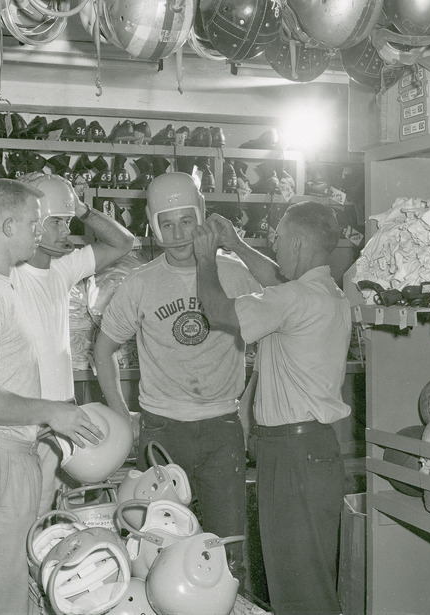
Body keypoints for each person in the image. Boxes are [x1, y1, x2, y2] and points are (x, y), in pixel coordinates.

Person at [0, 178, 103, 615]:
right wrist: (51, 411)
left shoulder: (0, 286)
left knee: (14, 594)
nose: (39, 231)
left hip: (9, 455)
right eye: (34, 222)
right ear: (8, 226)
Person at [93, 171, 261, 578]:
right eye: (166, 224)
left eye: (187, 221)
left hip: (222, 427)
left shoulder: (236, 273)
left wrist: (247, 405)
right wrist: (121, 416)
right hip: (162, 430)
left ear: (202, 217)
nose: (178, 233)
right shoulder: (140, 283)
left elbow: (272, 338)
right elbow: (103, 350)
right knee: (156, 553)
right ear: (153, 226)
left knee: (224, 553)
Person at [192, 202, 351, 615]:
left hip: (294, 455)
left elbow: (216, 310)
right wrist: (236, 243)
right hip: (311, 450)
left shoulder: (295, 298)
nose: (274, 244)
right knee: (305, 577)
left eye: (278, 236)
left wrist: (206, 256)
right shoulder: (326, 293)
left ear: (297, 242)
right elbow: (276, 279)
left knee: (299, 586)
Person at [12, 173, 134, 511]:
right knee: (17, 517)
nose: (67, 232)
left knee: (44, 518)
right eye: (58, 223)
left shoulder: (62, 268)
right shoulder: (6, 271)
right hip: (19, 420)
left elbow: (123, 243)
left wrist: (80, 209)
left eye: (68, 223)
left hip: (60, 421)